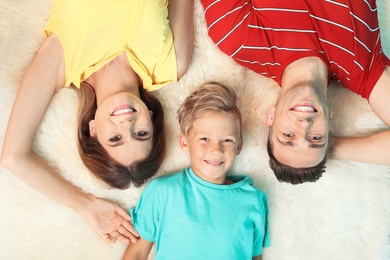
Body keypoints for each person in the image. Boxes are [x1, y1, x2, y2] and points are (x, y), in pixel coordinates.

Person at [0, 0, 194, 244]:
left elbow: (13, 156)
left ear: (92, 130)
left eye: (115, 139)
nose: (127, 124)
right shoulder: (172, 65)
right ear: (151, 119)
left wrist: (86, 205)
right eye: (141, 134)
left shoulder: (62, 62)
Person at [200, 0, 390, 184]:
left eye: (288, 136)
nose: (304, 125)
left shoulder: (238, 39)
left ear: (271, 117)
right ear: (330, 123)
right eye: (315, 138)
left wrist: (321, 148)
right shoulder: (362, 70)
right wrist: (330, 148)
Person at [122, 82, 270, 259]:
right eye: (205, 138)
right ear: (184, 142)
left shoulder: (253, 200)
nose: (216, 149)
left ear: (239, 146)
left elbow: (256, 257)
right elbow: (137, 253)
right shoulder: (163, 192)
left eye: (227, 140)